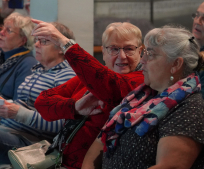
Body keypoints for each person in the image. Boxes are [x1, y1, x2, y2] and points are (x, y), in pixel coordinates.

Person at [82, 26, 204, 169]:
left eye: (150, 54)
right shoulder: (140, 96)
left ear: (175, 64)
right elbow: (99, 145)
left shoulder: (189, 110)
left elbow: (170, 166)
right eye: (144, 53)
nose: (143, 60)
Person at [33, 20, 144, 169]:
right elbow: (42, 101)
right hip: (59, 160)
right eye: (114, 49)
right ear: (103, 52)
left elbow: (111, 85)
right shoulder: (87, 78)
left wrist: (65, 43)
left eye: (129, 49)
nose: (122, 56)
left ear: (140, 51)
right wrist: (75, 108)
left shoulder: (141, 80)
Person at [0, 21, 76, 167]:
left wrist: (18, 113)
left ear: (61, 47)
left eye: (44, 41)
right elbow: (22, 105)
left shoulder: (66, 76)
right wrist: (0, 110)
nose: (36, 45)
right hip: (5, 129)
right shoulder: (37, 71)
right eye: (36, 40)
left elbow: (63, 124)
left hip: (29, 142)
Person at [0, 12, 37, 121]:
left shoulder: (28, 65)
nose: (1, 33)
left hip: (1, 124)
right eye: (2, 28)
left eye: (8, 30)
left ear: (23, 40)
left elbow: (17, 110)